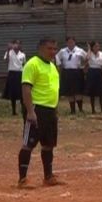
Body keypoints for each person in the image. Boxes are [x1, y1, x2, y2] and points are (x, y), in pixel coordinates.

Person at [18, 37, 64, 188]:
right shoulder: (32, 64)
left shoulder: (52, 66)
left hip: (50, 110)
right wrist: (30, 111)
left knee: (48, 144)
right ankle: (22, 179)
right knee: (28, 145)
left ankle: (48, 177)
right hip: (37, 109)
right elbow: (26, 88)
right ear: (41, 48)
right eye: (49, 48)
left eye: (55, 49)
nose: (53, 52)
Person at [55, 37, 87, 114]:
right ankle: (72, 110)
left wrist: (84, 67)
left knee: (78, 91)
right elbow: (56, 58)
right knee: (69, 91)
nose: (70, 43)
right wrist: (59, 66)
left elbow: (87, 58)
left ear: (75, 42)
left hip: (77, 72)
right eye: (69, 42)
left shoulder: (80, 50)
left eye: (72, 42)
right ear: (66, 43)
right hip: (67, 72)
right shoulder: (63, 51)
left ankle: (80, 109)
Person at [2, 40, 26, 115]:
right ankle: (13, 111)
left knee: (21, 92)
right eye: (15, 44)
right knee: (12, 93)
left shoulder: (22, 54)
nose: (17, 45)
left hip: (20, 73)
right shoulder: (9, 52)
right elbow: (6, 61)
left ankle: (23, 109)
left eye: (18, 44)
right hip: (12, 73)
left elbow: (24, 64)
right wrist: (8, 49)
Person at [85, 40, 102, 113]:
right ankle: (93, 109)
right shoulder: (89, 53)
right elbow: (86, 59)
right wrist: (88, 49)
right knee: (92, 91)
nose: (97, 47)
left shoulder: (101, 53)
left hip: (99, 72)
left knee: (101, 91)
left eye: (98, 46)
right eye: (95, 46)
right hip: (91, 72)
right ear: (92, 47)